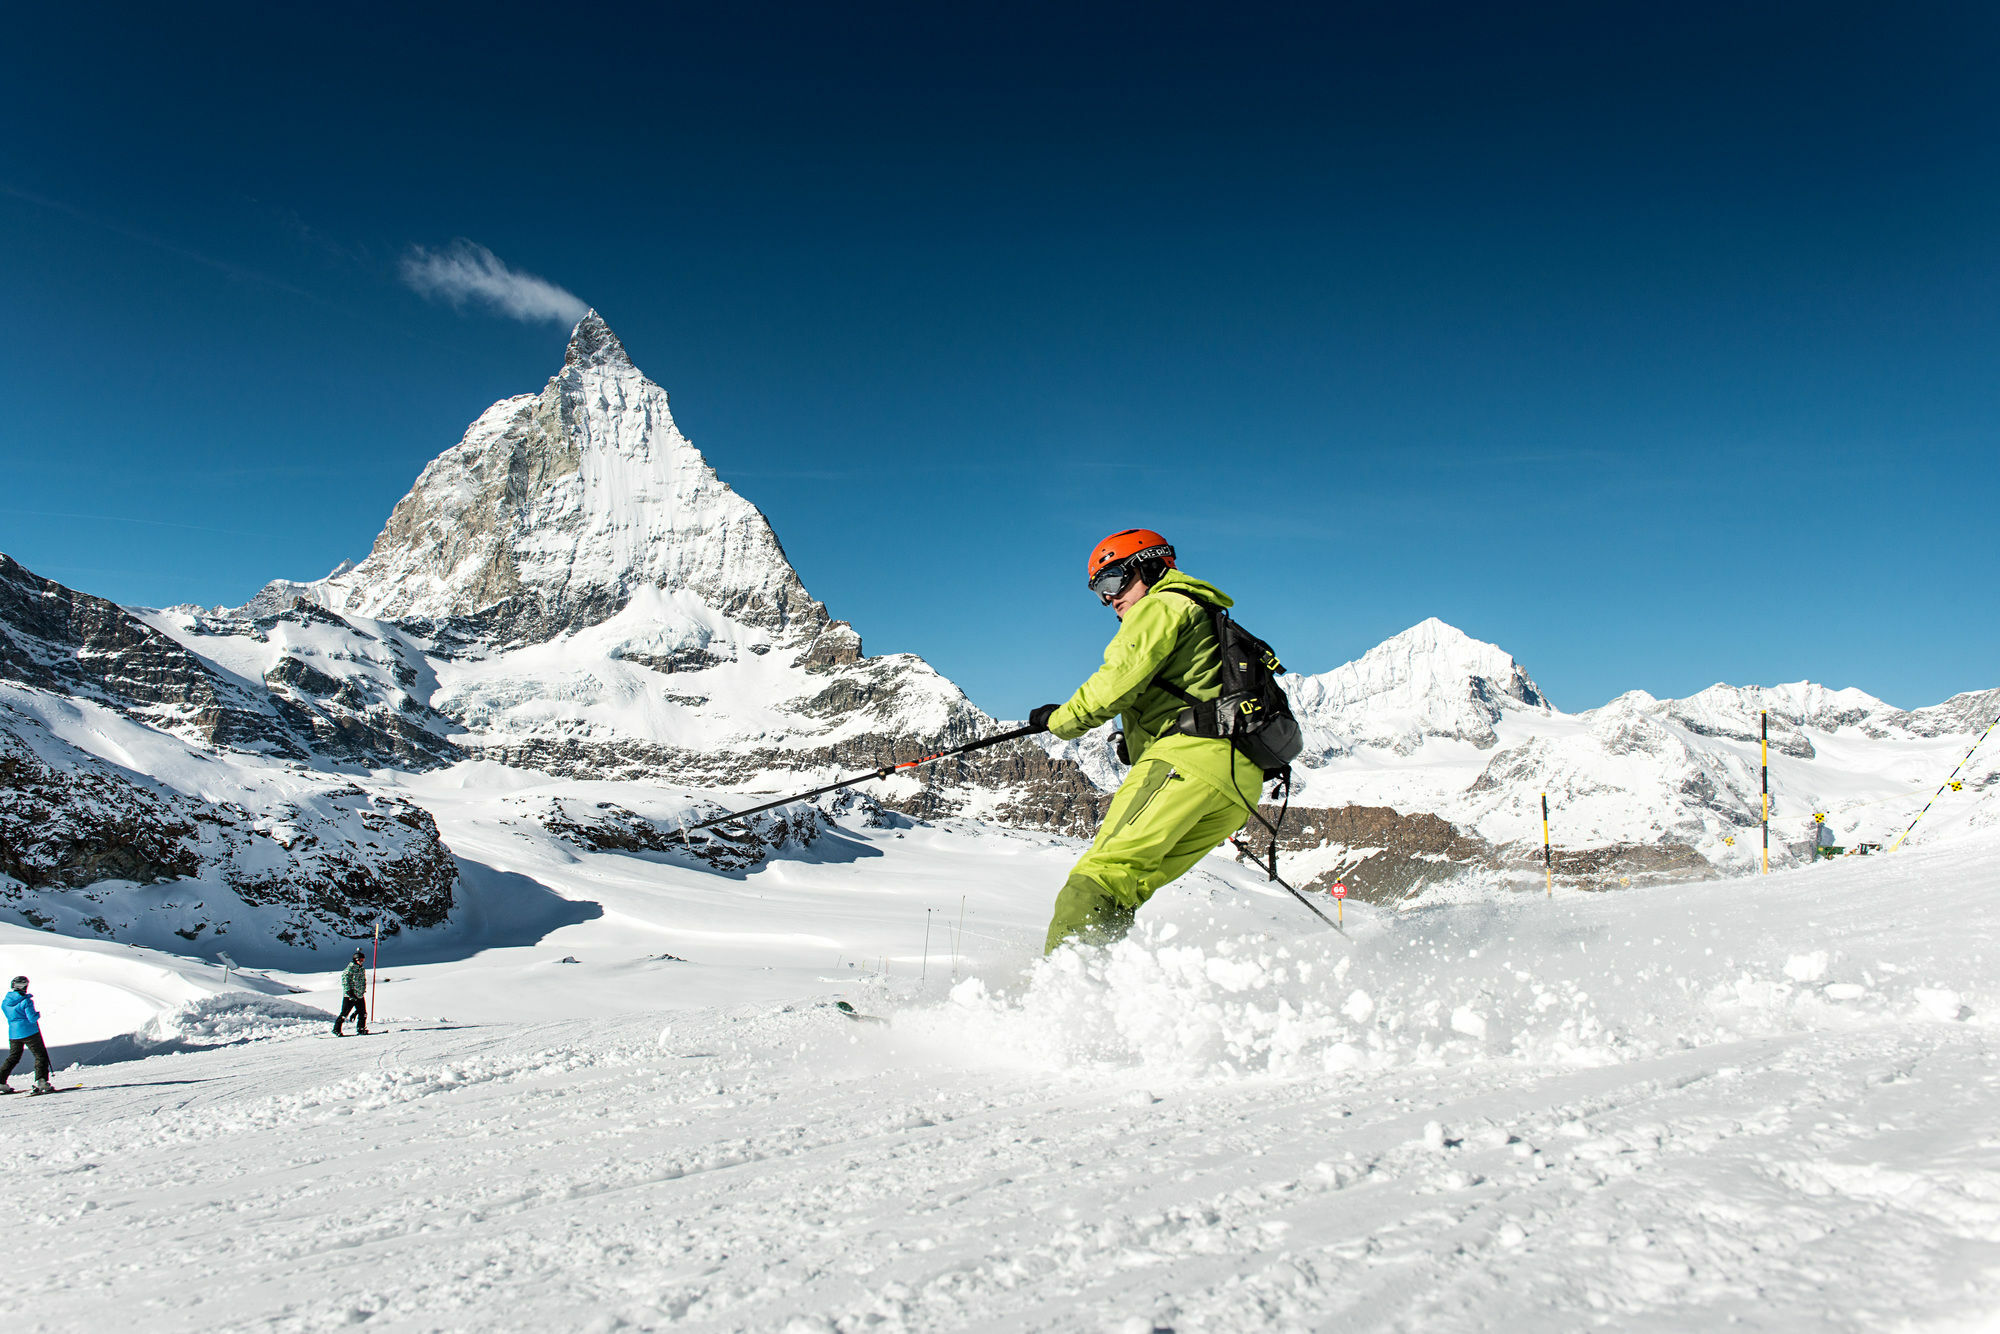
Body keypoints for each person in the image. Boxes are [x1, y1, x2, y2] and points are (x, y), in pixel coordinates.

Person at [1026, 529, 1270, 952]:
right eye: (1099, 592)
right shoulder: (1201, 612)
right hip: (1238, 785)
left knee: (1100, 877)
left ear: (1150, 566)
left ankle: (1063, 997)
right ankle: (1105, 993)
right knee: (1125, 889)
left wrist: (1059, 720)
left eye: (1112, 582)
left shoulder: (1159, 605)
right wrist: (1141, 742)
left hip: (1189, 762)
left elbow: (1115, 683)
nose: (1108, 600)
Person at [1, 975, 55, 1095]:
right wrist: (37, 1014)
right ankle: (41, 1081)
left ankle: (0, 1081)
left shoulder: (5, 1002)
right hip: (30, 1032)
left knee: (13, 1057)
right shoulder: (26, 1001)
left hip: (14, 1034)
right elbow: (32, 1018)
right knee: (40, 1055)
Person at [334, 948, 369, 1036]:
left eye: (363, 960)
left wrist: (362, 990)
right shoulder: (350, 969)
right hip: (350, 995)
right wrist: (348, 991)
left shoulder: (361, 969)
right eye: (360, 960)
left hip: (359, 995)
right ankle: (336, 1029)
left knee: (363, 1013)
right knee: (344, 1013)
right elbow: (345, 979)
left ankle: (361, 1028)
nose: (361, 962)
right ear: (355, 960)